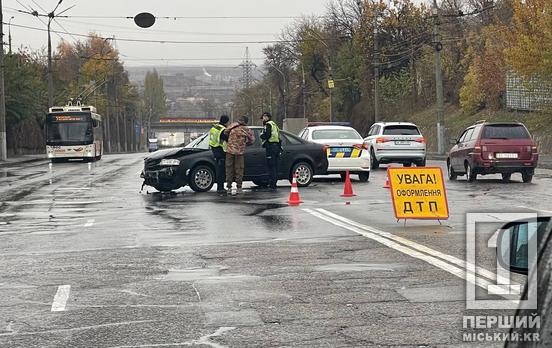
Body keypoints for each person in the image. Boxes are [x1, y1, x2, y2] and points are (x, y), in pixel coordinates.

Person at [224, 116, 255, 195]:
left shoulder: (232, 125)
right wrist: (245, 143)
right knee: (239, 169)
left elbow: (225, 132)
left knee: (229, 168)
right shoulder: (246, 129)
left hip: (229, 150)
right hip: (239, 152)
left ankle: (229, 187)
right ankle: (239, 187)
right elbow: (252, 140)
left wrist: (231, 140)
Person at [260, 112, 282, 191]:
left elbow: (267, 135)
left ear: (266, 117)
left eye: (263, 117)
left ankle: (272, 184)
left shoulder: (267, 125)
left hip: (270, 148)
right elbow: (279, 137)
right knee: (275, 166)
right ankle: (274, 183)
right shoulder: (274, 125)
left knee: (271, 166)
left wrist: (261, 135)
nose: (262, 119)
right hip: (276, 147)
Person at [209, 115, 230, 194]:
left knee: (218, 170)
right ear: (226, 122)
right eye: (228, 121)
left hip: (214, 150)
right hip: (220, 151)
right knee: (221, 171)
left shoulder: (214, 127)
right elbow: (226, 138)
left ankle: (219, 187)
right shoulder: (222, 129)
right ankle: (220, 188)